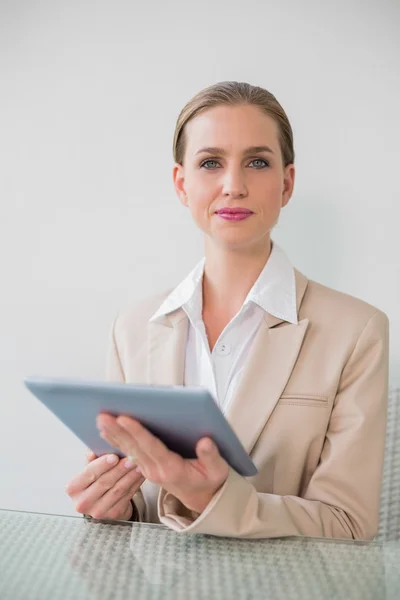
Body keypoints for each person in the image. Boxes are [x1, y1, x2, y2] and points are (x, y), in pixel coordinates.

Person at [66, 81, 389, 539]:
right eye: (210, 163)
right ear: (182, 183)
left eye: (257, 162)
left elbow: (350, 526)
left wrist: (208, 497)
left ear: (287, 183)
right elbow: (137, 511)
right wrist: (113, 507)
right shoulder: (133, 328)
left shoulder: (357, 331)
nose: (233, 186)